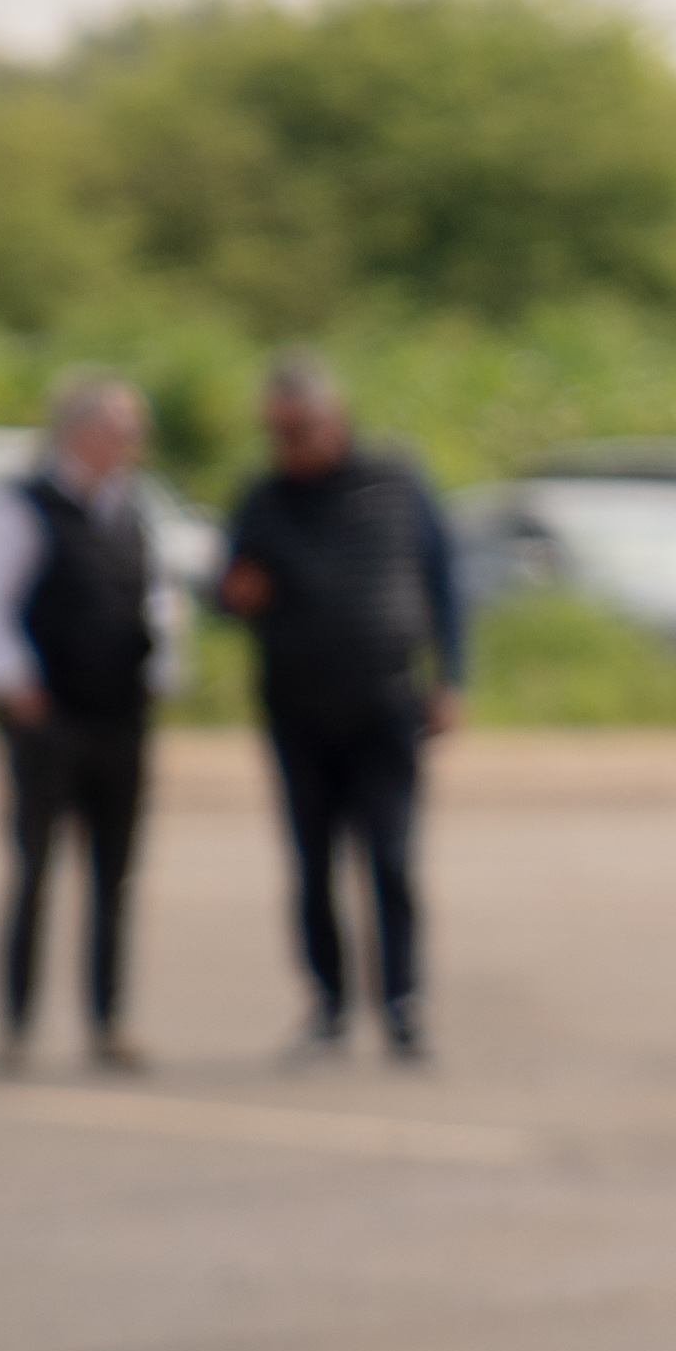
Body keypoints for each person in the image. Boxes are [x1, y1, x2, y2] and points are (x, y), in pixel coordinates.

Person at [218, 353, 468, 1064]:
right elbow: (227, 589)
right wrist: (234, 596)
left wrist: (452, 676)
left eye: (303, 429)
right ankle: (327, 1003)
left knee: (390, 858)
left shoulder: (395, 481)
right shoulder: (262, 499)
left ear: (336, 419)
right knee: (312, 863)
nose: (291, 445)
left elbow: (443, 577)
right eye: (280, 433)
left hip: (386, 701)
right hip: (297, 708)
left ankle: (403, 1004)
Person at [0, 373, 181, 1075]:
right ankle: (16, 1023)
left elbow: (161, 601)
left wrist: (162, 675)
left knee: (114, 875)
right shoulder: (21, 506)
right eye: (121, 427)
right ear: (80, 432)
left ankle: (108, 1019)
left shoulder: (132, 508)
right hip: (51, 717)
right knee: (35, 869)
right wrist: (16, 685)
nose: (133, 442)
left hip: (120, 715)